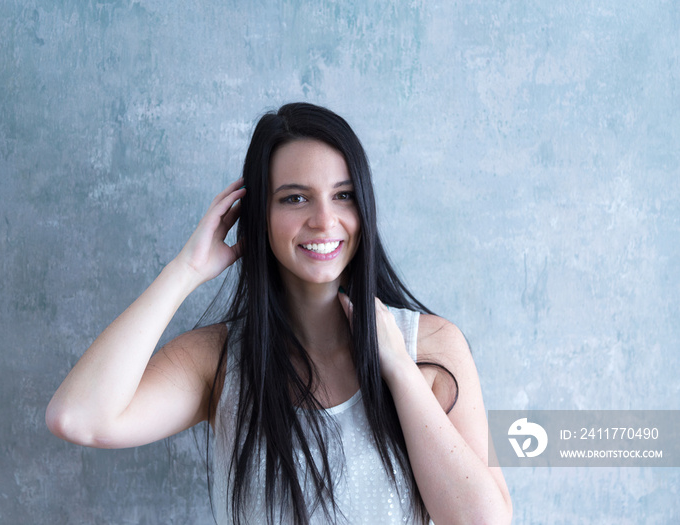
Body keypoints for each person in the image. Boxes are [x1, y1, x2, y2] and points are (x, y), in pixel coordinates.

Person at [46, 102, 512, 524]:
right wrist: (185, 270)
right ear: (258, 214)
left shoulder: (431, 346)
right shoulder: (219, 360)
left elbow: (484, 521)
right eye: (295, 197)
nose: (324, 221)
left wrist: (397, 368)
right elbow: (78, 418)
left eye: (343, 195)